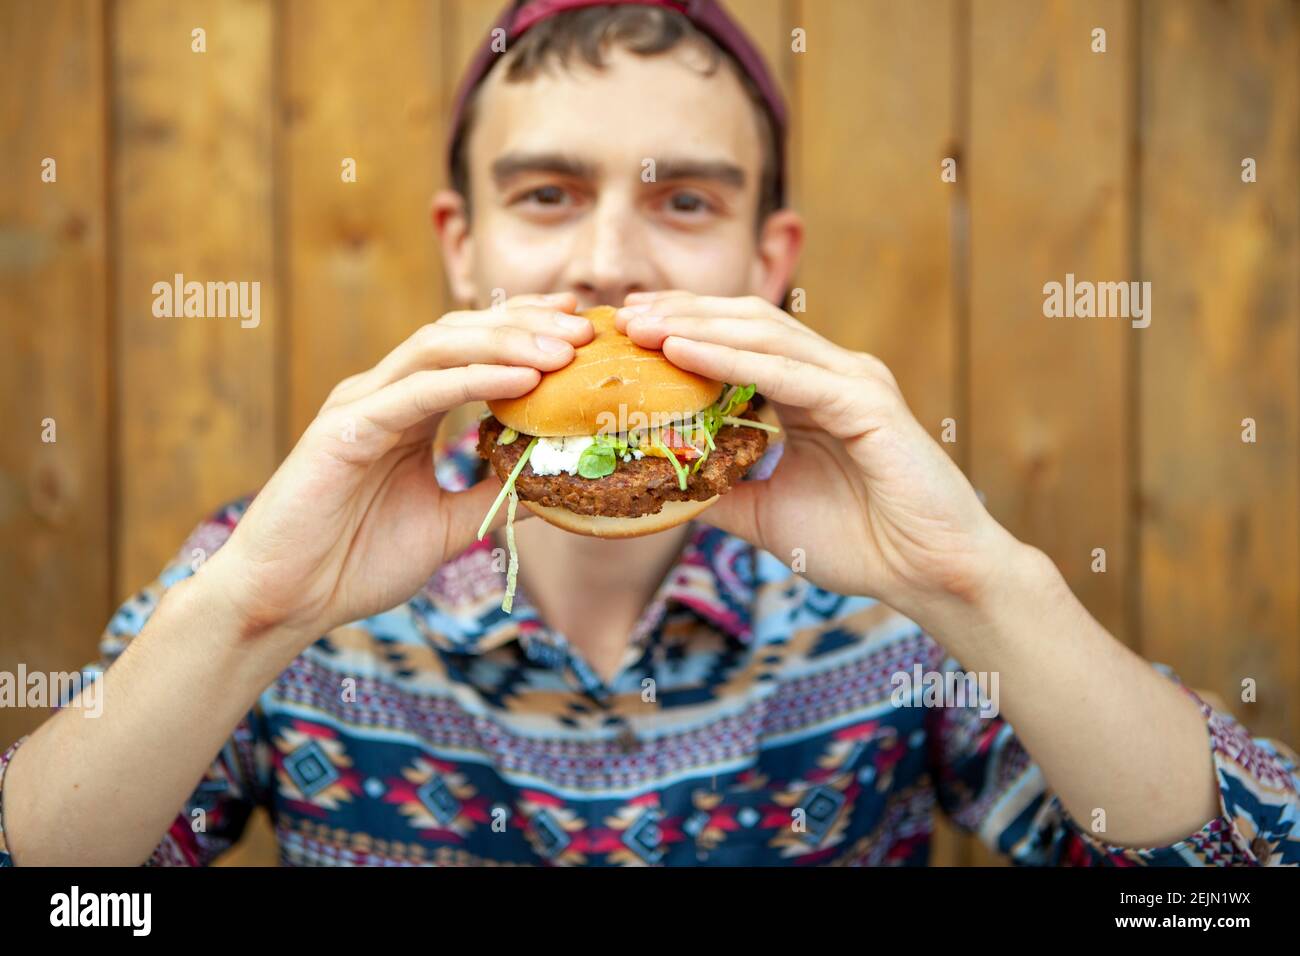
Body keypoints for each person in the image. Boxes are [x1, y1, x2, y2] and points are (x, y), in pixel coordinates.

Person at [2, 0, 1297, 867]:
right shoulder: (260, 579)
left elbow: (1220, 887)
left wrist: (981, 584)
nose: (610, 262)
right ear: (466, 248)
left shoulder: (907, 619)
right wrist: (247, 615)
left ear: (767, 262)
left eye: (685, 200)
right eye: (548, 195)